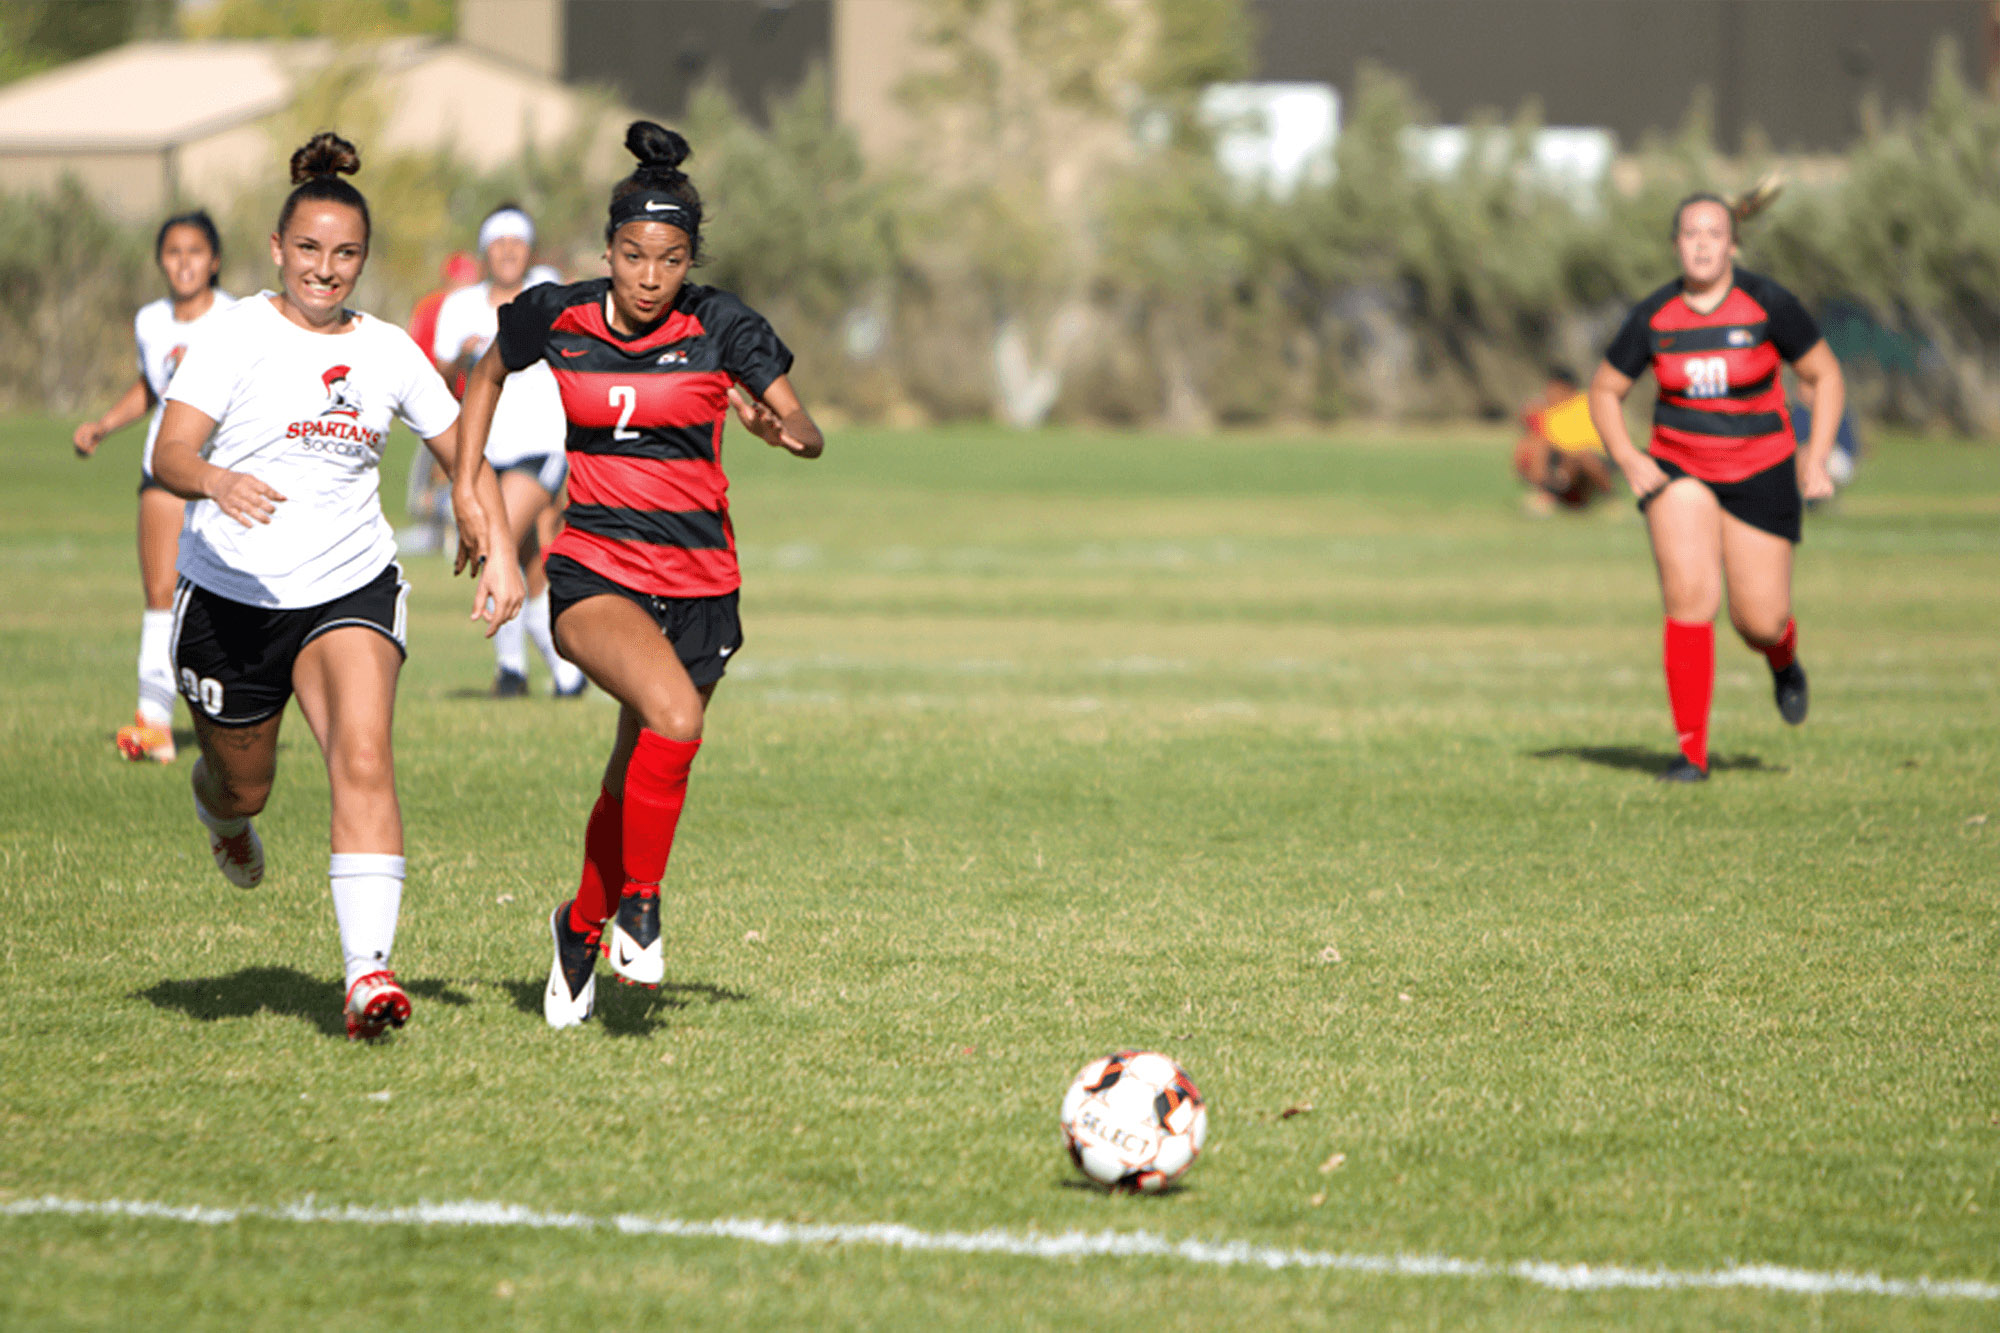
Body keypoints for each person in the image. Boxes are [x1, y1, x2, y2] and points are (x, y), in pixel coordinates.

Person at [150, 132, 521, 1039]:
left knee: (363, 755)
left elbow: (462, 453)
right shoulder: (233, 334)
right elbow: (168, 453)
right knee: (247, 786)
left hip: (348, 586)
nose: (326, 268)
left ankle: (367, 976)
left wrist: (498, 540)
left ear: (364, 258)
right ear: (278, 250)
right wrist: (217, 481)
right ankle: (221, 813)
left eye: (345, 252)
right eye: (309, 249)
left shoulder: (391, 352)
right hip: (231, 596)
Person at [457, 121, 824, 1028]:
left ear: (689, 258)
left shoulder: (722, 323)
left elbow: (809, 432)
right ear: (608, 250)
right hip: (595, 570)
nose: (649, 276)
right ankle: (641, 912)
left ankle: (578, 925)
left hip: (701, 584)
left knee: (634, 775)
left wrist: (774, 427)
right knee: (676, 718)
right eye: (632, 255)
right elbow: (485, 372)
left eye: (668, 258)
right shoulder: (562, 313)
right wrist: (474, 493)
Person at [1588, 190, 1844, 782]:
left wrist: (1817, 459)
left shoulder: (1768, 304)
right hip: (1680, 467)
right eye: (1690, 234)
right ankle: (1691, 755)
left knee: (1759, 620)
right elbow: (1604, 390)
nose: (1701, 244)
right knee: (1689, 603)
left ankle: (1783, 660)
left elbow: (1823, 375)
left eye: (1713, 234)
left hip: (1762, 469)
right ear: (1676, 245)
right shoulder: (1655, 316)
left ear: (1733, 243)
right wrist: (1628, 458)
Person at [72, 212, 237, 763]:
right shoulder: (150, 322)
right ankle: (153, 723)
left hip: (224, 478)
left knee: (225, 601)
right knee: (161, 597)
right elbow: (151, 387)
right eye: (172, 251)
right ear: (161, 260)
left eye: (195, 251)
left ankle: (235, 715)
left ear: (214, 260)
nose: (184, 261)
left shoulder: (238, 319)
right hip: (165, 470)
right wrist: (104, 425)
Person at [432, 204, 586, 698]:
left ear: (530, 251)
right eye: (498, 243)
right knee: (530, 566)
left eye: (517, 243)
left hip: (540, 448)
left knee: (498, 540)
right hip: (483, 451)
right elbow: (437, 381)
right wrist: (464, 355)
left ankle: (511, 672)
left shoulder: (548, 297)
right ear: (485, 251)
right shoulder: (461, 307)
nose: (508, 252)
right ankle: (568, 675)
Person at [397, 250, 479, 556]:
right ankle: (432, 526)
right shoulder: (432, 308)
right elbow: (418, 355)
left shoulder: (480, 305)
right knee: (433, 467)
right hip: (437, 400)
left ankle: (453, 529)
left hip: (473, 400)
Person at [1514, 367, 1614, 515]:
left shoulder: (1586, 404)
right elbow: (1530, 435)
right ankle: (1544, 493)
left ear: (1567, 389)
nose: (1549, 393)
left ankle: (1610, 498)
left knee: (1582, 457)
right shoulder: (1543, 410)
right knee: (1535, 446)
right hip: (1557, 462)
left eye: (1555, 389)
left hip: (1585, 467)